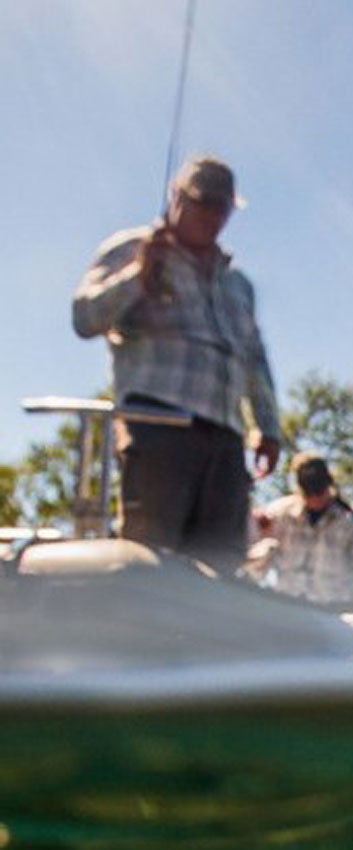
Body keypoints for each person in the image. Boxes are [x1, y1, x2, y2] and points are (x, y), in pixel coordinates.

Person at [71, 155, 281, 574]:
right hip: (158, 425)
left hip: (225, 439)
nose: (212, 216)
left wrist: (269, 427)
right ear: (177, 196)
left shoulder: (237, 283)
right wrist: (138, 276)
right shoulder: (133, 250)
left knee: (221, 568)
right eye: (202, 203)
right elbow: (85, 318)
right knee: (152, 562)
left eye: (222, 207)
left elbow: (255, 359)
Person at [251, 452, 353, 616]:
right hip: (286, 607)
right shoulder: (281, 512)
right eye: (308, 492)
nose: (315, 499)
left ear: (329, 484)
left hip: (333, 613)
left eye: (319, 491)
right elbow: (251, 537)